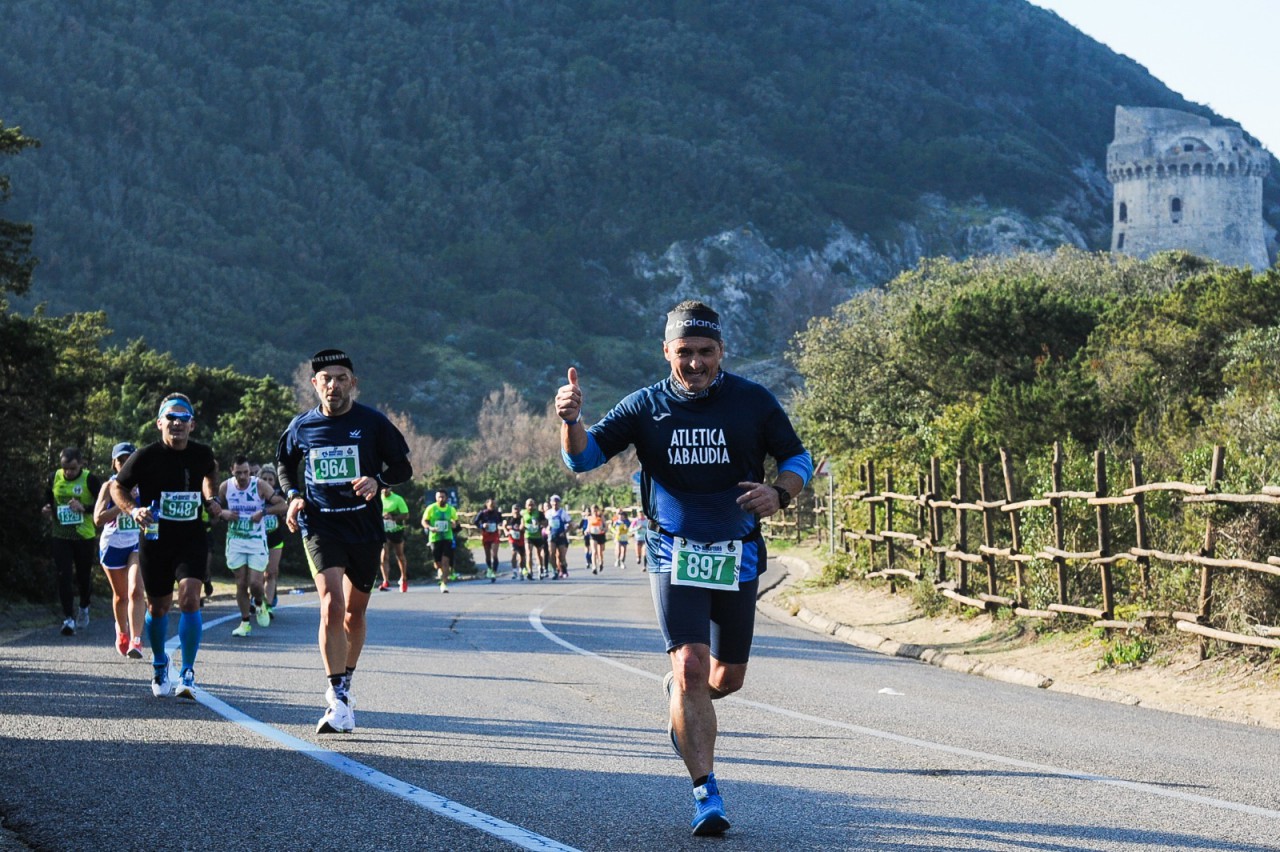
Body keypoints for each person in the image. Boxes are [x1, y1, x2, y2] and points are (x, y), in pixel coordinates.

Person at [556, 300, 812, 836]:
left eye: (705, 352)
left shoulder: (753, 401)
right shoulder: (645, 406)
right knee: (692, 665)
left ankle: (681, 697)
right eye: (684, 352)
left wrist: (779, 492)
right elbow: (583, 458)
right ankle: (706, 794)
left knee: (726, 678)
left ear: (721, 351)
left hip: (735, 553)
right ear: (666, 352)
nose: (695, 363)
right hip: (673, 550)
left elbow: (797, 459)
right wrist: (572, 421)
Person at [277, 349, 413, 734]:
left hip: (365, 530)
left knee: (354, 613)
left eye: (341, 378)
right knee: (331, 606)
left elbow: (403, 466)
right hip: (320, 527)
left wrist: (378, 481)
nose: (333, 385)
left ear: (353, 383)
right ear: (315, 384)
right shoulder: (302, 426)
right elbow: (285, 464)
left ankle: (346, 683)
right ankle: (337, 698)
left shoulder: (372, 423)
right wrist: (293, 496)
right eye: (326, 379)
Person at [110, 394, 221, 700]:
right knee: (157, 607)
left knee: (189, 599)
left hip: (191, 538)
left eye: (183, 418)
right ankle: (160, 664)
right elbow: (117, 487)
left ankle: (187, 671)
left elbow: (211, 471)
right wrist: (133, 510)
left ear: (192, 425)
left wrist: (211, 498)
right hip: (156, 538)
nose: (177, 424)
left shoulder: (201, 453)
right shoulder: (145, 456)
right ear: (160, 423)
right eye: (170, 418)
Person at [219, 456, 285, 637]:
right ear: (232, 470)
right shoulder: (225, 487)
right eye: (238, 472)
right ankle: (245, 622)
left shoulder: (260, 486)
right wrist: (223, 512)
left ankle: (260, 601)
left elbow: (282, 505)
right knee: (240, 583)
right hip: (235, 540)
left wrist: (263, 512)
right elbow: (214, 508)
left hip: (256, 541)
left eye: (246, 472)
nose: (242, 477)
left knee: (255, 583)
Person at [92, 443, 145, 657]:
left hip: (136, 542)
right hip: (112, 544)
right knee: (121, 596)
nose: (124, 465)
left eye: (128, 460)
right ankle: (122, 631)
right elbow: (97, 519)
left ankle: (136, 641)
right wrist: (123, 503)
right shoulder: (109, 486)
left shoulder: (146, 483)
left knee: (136, 590)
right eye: (120, 461)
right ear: (114, 464)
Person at [43, 448, 103, 636]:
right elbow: (48, 499)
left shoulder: (90, 480)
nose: (68, 472)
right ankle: (68, 618)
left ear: (81, 464)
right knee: (64, 576)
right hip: (61, 535)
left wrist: (83, 507)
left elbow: (104, 504)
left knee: (83, 576)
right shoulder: (53, 477)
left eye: (73, 468)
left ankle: (84, 606)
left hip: (84, 536)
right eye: (65, 468)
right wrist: (46, 508)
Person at [257, 463, 286, 613]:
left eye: (271, 479)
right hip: (255, 539)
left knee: (271, 572)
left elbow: (285, 509)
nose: (268, 482)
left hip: (275, 538)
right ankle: (256, 599)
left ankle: (267, 607)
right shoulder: (254, 494)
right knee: (257, 575)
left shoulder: (278, 495)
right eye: (265, 479)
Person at [421, 490, 459, 593]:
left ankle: (444, 584)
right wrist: (430, 527)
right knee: (438, 563)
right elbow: (424, 521)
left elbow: (456, 521)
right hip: (435, 538)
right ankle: (440, 570)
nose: (441, 499)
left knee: (446, 561)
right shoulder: (431, 508)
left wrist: (454, 524)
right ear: (436, 498)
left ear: (446, 498)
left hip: (447, 537)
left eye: (443, 497)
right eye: (439, 497)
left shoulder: (451, 509)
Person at [379, 486, 411, 592]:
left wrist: (394, 517)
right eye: (382, 488)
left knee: (399, 555)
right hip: (384, 530)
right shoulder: (378, 498)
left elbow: (406, 514)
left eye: (386, 488)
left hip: (397, 530)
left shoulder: (397, 499)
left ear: (390, 488)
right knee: (384, 555)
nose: (384, 490)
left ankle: (403, 578)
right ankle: (385, 580)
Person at [473, 498, 504, 582]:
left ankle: (494, 572)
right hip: (486, 535)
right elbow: (475, 522)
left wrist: (501, 527)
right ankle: (489, 568)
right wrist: (482, 525)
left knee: (494, 554)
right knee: (488, 556)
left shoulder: (497, 513)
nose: (492, 506)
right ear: (487, 505)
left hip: (494, 535)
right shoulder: (482, 513)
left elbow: (500, 522)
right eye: (491, 505)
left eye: (494, 505)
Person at [544, 495, 571, 579]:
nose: (555, 503)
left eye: (557, 501)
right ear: (551, 503)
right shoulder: (548, 513)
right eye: (553, 501)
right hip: (552, 536)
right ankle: (555, 571)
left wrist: (565, 532)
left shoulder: (563, 513)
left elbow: (570, 524)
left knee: (561, 556)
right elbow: (545, 523)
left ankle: (564, 569)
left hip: (561, 536)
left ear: (559, 503)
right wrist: (546, 530)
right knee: (551, 553)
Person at [521, 498, 547, 579]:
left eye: (532, 505)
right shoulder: (523, 513)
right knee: (528, 553)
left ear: (534, 505)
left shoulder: (539, 513)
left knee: (539, 554)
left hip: (538, 536)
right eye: (529, 505)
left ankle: (540, 569)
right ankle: (530, 572)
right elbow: (522, 525)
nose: (530, 507)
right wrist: (522, 527)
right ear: (526, 506)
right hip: (528, 536)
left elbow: (546, 523)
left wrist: (539, 523)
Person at [505, 504, 527, 580]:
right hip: (512, 539)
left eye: (517, 509)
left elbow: (523, 525)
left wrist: (522, 527)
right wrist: (506, 531)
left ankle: (521, 571)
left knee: (522, 557)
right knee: (514, 553)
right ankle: (514, 571)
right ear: (512, 510)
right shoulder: (509, 519)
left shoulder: (521, 518)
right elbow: (504, 526)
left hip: (520, 539)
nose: (516, 511)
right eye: (515, 509)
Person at [585, 505, 607, 572]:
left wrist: (603, 529)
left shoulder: (601, 517)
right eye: (593, 510)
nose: (594, 512)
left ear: (597, 510)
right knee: (594, 551)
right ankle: (594, 567)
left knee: (600, 551)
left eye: (595, 510)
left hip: (600, 535)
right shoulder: (589, 518)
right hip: (593, 535)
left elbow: (605, 526)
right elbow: (588, 527)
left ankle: (601, 562)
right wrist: (586, 531)